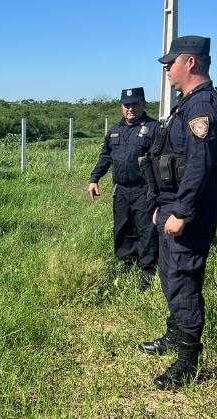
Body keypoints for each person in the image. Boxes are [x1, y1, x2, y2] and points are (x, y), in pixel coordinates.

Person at [139, 36, 217, 390]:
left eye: (170, 63)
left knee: (183, 281)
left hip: (187, 212)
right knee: (171, 275)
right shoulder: (186, 103)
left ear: (189, 62)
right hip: (172, 206)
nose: (166, 69)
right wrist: (161, 207)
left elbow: (198, 165)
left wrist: (183, 212)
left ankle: (188, 362)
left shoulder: (202, 105)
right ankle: (175, 335)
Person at [88, 87, 160, 291]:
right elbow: (105, 157)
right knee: (123, 228)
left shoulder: (154, 128)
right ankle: (126, 266)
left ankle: (147, 271)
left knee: (146, 231)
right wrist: (95, 179)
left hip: (144, 190)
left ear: (143, 104)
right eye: (126, 105)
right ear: (121, 107)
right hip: (121, 190)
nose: (130, 109)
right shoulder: (114, 131)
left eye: (135, 104)